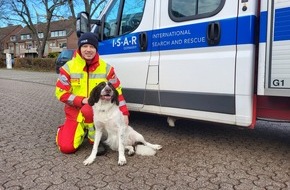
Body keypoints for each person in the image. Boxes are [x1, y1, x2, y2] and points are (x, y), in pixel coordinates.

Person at [55, 32, 129, 154]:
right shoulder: (68, 67)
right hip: (74, 112)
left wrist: (124, 113)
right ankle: (62, 131)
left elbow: (118, 92)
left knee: (89, 109)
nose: (88, 50)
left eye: (92, 47)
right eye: (85, 46)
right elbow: (60, 93)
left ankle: (92, 138)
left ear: (96, 49)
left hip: (96, 110)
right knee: (66, 148)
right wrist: (82, 100)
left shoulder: (106, 68)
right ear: (79, 48)